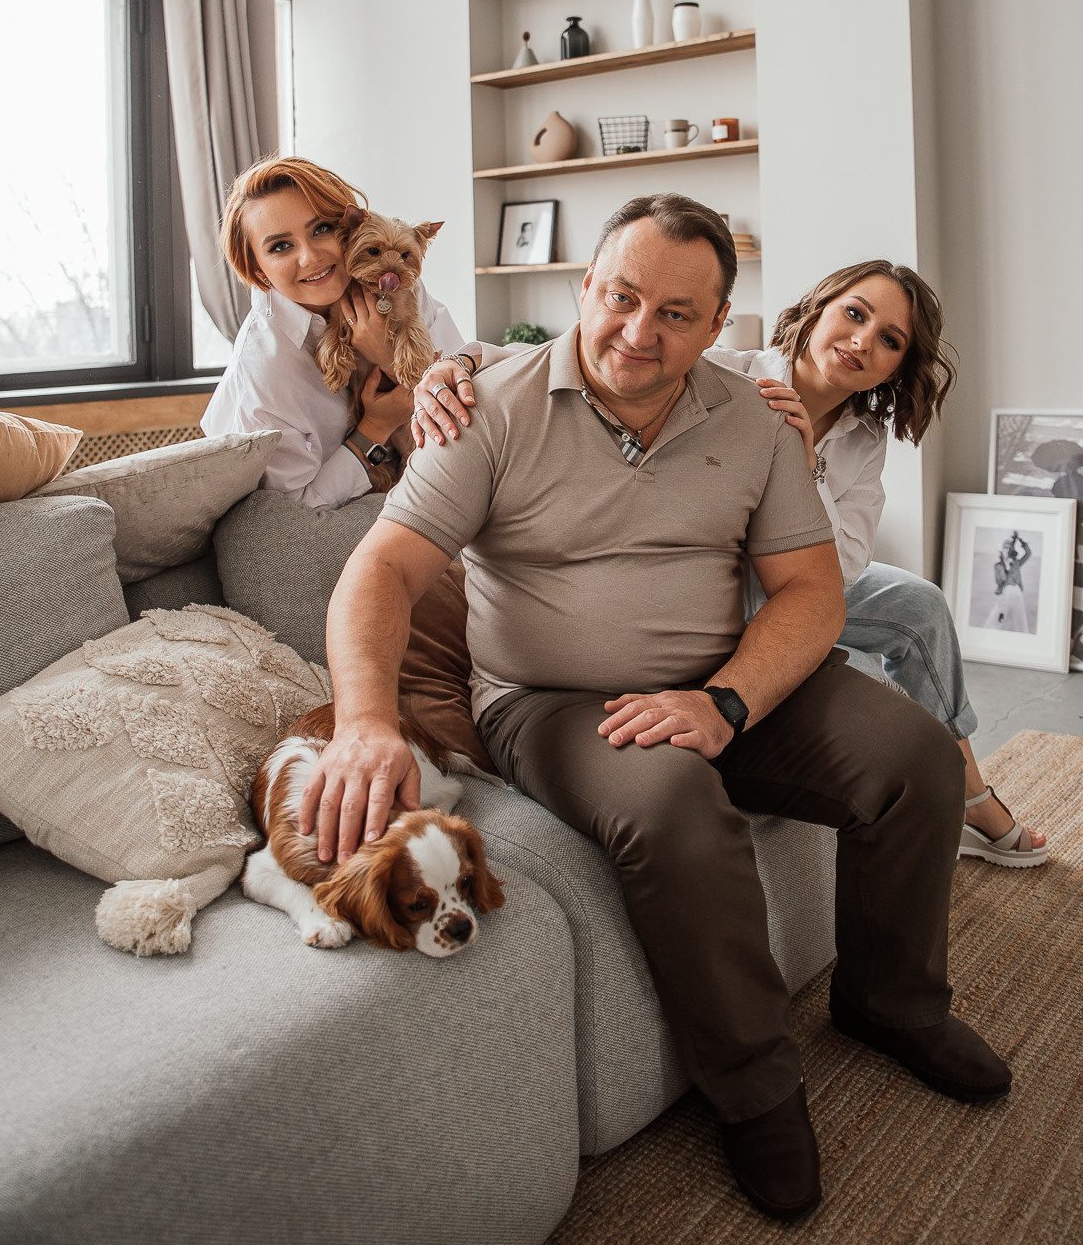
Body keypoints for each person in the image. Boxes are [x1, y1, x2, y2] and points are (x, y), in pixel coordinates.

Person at [304, 195, 1010, 1222]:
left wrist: (726, 698)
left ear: (717, 324)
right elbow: (383, 569)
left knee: (914, 757)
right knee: (673, 809)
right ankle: (756, 1091)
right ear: (583, 289)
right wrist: (366, 718)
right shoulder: (483, 403)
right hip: (552, 703)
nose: (639, 334)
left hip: (725, 682)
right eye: (621, 298)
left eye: (676, 315)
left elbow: (811, 590)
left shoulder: (753, 418)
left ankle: (888, 1005)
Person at [415, 256, 1049, 870]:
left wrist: (801, 475)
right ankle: (974, 799)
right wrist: (457, 362)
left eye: (888, 340)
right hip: (708, 579)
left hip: (796, 583)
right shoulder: (724, 370)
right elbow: (559, 355)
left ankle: (963, 789)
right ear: (815, 310)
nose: (861, 341)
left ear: (897, 366)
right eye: (853, 313)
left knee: (919, 604)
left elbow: (845, 567)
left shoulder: (862, 437)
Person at [201, 155, 503, 509]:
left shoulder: (396, 288)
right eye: (281, 246)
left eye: (321, 229)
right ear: (258, 270)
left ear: (351, 226)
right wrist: (376, 426)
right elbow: (299, 510)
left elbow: (470, 407)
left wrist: (388, 360)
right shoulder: (266, 367)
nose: (310, 258)